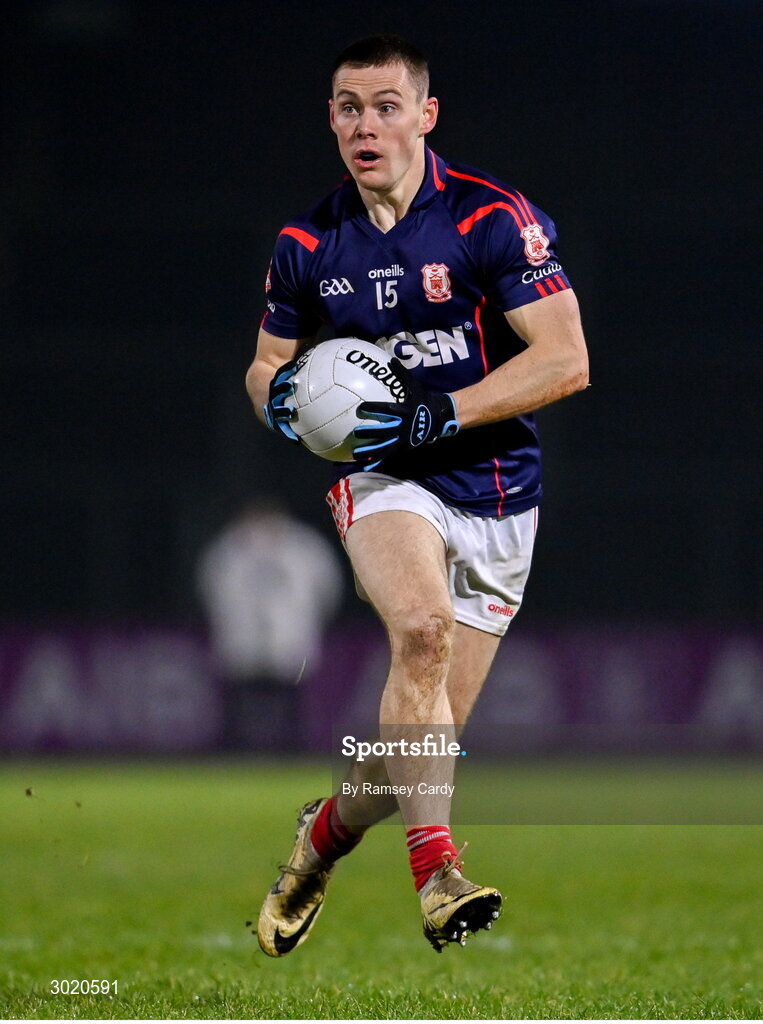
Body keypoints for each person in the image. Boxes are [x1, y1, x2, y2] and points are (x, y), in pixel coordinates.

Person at [245, 33, 589, 954]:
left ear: (425, 116)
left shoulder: (490, 219)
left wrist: (443, 413)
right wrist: (283, 406)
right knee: (422, 631)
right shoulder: (307, 242)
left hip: (499, 493)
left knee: (410, 760)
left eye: (386, 106)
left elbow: (566, 359)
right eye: (348, 108)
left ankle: (322, 837)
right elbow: (267, 365)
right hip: (385, 477)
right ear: (330, 120)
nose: (366, 125)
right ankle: (438, 876)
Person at [195, 498, 343, 750]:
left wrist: (312, 622)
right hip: (242, 635)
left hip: (290, 636)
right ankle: (235, 751)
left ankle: (294, 750)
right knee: (238, 702)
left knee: (292, 702)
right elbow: (209, 588)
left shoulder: (304, 546)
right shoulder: (229, 546)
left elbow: (327, 588)